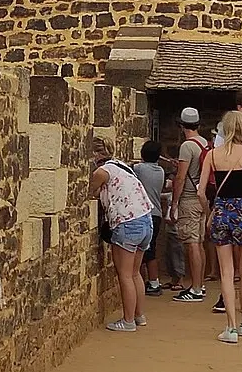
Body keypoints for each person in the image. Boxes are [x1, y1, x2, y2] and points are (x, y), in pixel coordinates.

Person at [199, 109, 242, 343]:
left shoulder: (212, 155)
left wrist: (211, 212)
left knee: (226, 272)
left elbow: (201, 192)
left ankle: (230, 327)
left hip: (221, 211)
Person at [89, 141, 154, 333]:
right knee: (135, 273)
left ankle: (127, 321)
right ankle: (138, 315)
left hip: (127, 223)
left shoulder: (102, 172)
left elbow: (90, 192)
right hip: (145, 220)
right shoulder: (123, 166)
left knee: (125, 275)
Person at [169, 108, 210, 301]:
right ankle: (199, 284)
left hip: (189, 198)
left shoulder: (187, 146)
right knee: (199, 242)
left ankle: (195, 288)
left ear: (181, 125)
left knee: (191, 243)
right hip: (202, 198)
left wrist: (174, 203)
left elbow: (180, 177)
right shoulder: (204, 143)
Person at [132, 139, 167, 296]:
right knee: (150, 249)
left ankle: (152, 282)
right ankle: (151, 281)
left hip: (145, 214)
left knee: (144, 251)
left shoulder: (139, 169)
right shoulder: (160, 171)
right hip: (157, 214)